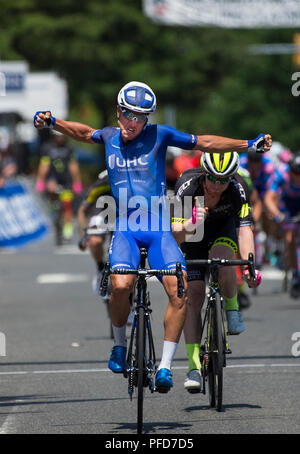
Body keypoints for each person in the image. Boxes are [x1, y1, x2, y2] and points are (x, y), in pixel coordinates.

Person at [33, 81, 272, 392]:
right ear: (119, 112)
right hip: (126, 230)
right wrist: (54, 122)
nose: (135, 123)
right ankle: (119, 345)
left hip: (159, 230)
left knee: (180, 293)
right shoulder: (108, 137)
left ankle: (165, 367)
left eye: (142, 117)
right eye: (130, 115)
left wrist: (247, 144)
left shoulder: (160, 135)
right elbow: (81, 132)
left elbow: (205, 143)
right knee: (120, 285)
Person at [172, 151, 261, 392]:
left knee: (223, 259)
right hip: (193, 235)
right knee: (194, 297)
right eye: (213, 178)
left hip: (223, 229)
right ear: (203, 173)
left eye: (224, 180)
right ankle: (193, 367)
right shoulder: (187, 188)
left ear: (232, 178)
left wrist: (250, 265)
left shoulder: (237, 189)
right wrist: (190, 224)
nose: (217, 185)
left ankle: (232, 310)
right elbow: (175, 235)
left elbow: (245, 231)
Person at [264, 151, 300, 298]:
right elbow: (268, 198)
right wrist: (278, 215)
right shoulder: (281, 174)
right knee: (290, 238)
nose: (297, 178)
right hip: (287, 205)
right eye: (294, 173)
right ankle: (294, 274)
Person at [35, 131, 83, 240]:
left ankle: (67, 226)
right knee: (52, 196)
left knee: (67, 205)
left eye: (62, 136)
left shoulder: (69, 147)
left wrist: (77, 182)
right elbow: (44, 165)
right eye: (58, 136)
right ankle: (54, 215)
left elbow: (73, 166)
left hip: (66, 180)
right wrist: (41, 181)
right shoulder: (47, 147)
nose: (60, 138)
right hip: (52, 179)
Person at [77, 169, 112, 293]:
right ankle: (99, 268)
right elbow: (82, 211)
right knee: (95, 240)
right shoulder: (101, 184)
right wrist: (84, 236)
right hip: (102, 209)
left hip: (124, 210)